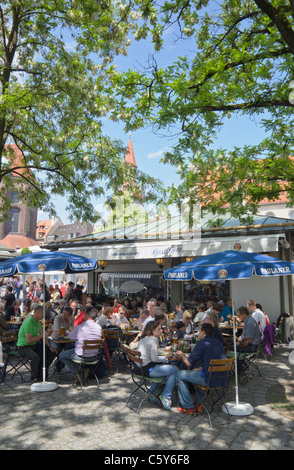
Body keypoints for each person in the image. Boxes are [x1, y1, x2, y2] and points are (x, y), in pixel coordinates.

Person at [175, 323, 227, 415]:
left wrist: (182, 355)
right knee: (198, 371)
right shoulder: (218, 342)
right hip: (223, 377)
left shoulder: (202, 343)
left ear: (203, 332)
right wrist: (200, 368)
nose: (198, 333)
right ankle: (198, 404)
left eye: (199, 331)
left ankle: (187, 407)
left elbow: (188, 363)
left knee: (179, 374)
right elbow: (214, 360)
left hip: (210, 379)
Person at [136, 320, 178, 411]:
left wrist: (164, 349)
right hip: (148, 370)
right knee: (175, 370)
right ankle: (166, 396)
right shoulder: (154, 340)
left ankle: (152, 391)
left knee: (167, 367)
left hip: (139, 369)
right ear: (152, 330)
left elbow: (152, 352)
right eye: (159, 329)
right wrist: (166, 356)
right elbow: (155, 359)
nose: (161, 331)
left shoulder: (144, 338)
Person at [17, 305, 57, 382]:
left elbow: (43, 335)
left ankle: (42, 373)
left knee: (51, 353)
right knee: (35, 357)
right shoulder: (29, 322)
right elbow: (29, 341)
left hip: (34, 345)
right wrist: (42, 336)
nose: (44, 316)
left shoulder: (37, 322)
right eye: (43, 314)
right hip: (24, 347)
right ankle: (34, 377)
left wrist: (49, 346)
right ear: (38, 313)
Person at [59, 307, 102, 376]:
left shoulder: (80, 328)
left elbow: (70, 336)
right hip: (95, 356)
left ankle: (77, 371)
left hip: (81, 356)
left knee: (61, 355)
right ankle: (82, 371)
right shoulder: (99, 327)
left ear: (87, 315)